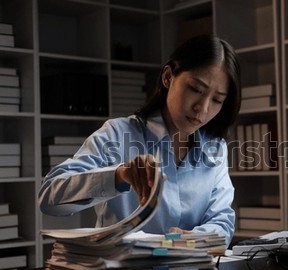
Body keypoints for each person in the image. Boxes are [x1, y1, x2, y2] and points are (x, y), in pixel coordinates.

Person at [38, 34, 241, 247]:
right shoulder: (117, 134)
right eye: (196, 90)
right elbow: (48, 198)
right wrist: (119, 175)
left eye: (217, 100)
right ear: (168, 77)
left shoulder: (215, 148)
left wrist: (195, 240)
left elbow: (222, 221)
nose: (203, 108)